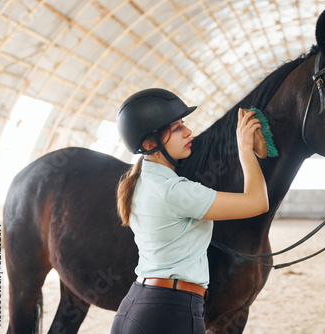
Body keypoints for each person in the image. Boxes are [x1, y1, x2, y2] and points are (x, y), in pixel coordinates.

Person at [111, 88, 269, 333]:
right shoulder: (175, 191)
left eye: (182, 123)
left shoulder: (140, 182)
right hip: (171, 311)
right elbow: (258, 202)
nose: (188, 131)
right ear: (150, 143)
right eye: (175, 129)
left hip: (135, 307)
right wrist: (245, 150)